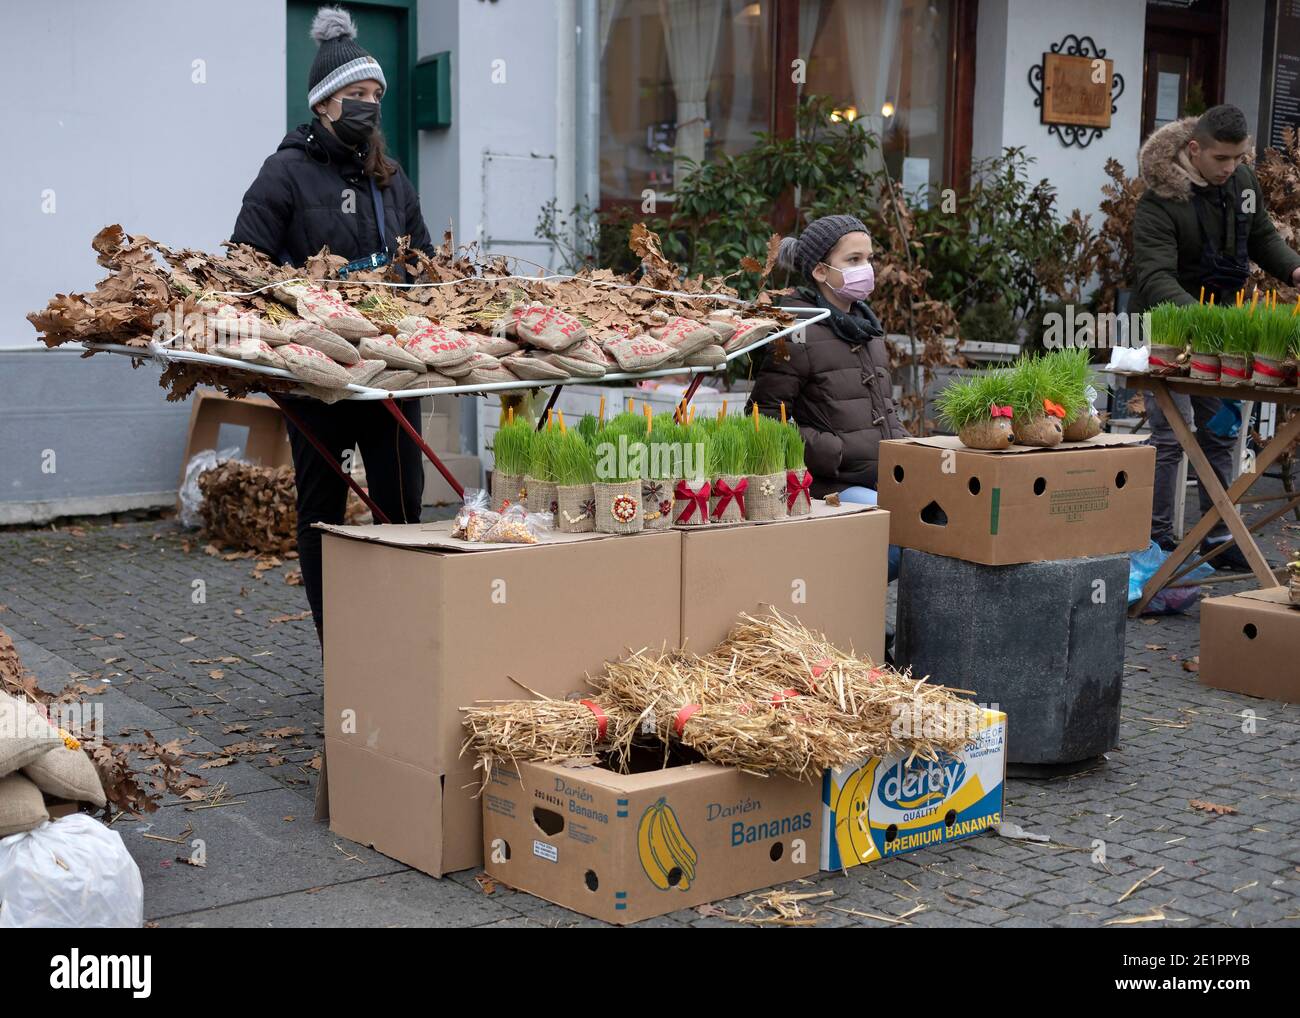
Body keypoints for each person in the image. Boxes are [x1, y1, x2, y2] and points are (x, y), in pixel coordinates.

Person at [230, 6, 436, 643]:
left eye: (376, 95)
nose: (369, 105)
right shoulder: (283, 173)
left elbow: (427, 266)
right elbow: (244, 267)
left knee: (401, 503)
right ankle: (341, 650)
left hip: (388, 372)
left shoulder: (391, 177)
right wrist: (292, 324)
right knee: (321, 512)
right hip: (315, 378)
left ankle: (404, 640)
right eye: (356, 96)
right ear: (324, 104)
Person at [1133, 103, 1300, 569]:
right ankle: (1159, 541)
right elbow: (1154, 276)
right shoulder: (1160, 201)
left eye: (1239, 158)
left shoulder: (1242, 184)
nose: (1232, 168)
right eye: (1222, 159)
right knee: (1169, 433)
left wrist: (1294, 268)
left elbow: (1262, 237)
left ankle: (1217, 536)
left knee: (1222, 431)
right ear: (1194, 149)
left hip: (1220, 327)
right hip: (1166, 326)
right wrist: (1206, 321)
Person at [747, 214, 906, 582]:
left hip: (886, 476)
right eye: (853, 260)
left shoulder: (869, 330)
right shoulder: (796, 332)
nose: (866, 268)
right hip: (832, 484)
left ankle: (862, 614)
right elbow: (762, 416)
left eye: (868, 259)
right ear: (821, 272)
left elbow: (885, 405)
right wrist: (830, 451)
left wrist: (906, 450)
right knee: (897, 537)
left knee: (940, 523)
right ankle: (844, 606)